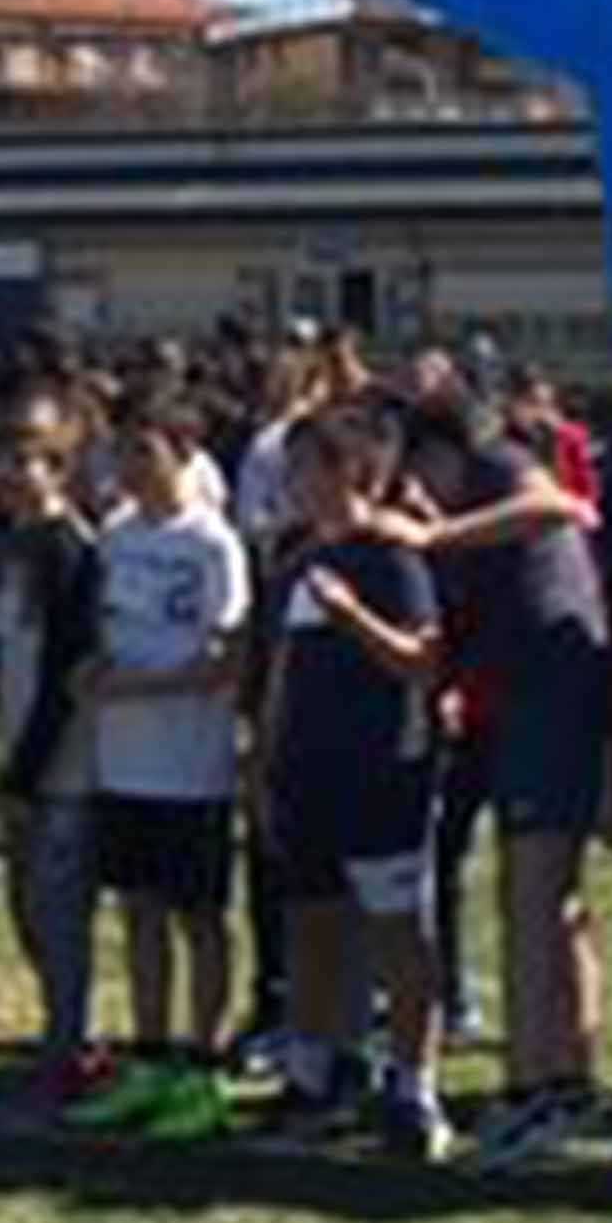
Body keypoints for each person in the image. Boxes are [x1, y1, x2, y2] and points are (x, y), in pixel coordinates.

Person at [404, 371, 612, 1171]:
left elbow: (560, 507)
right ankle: (569, 1075)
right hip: (523, 692)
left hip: (555, 690)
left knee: (530, 894)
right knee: (552, 899)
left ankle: (531, 1089)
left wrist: (439, 535)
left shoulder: (495, 466)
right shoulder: (466, 510)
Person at [256, 407, 451, 1158]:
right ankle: (313, 1073)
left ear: (352, 472)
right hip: (305, 774)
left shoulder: (390, 559)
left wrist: (354, 615)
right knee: (311, 924)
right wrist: (263, 764)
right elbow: (278, 675)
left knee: (399, 931)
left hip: (382, 773)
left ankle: (414, 1087)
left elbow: (422, 661)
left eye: (308, 467)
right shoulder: (294, 563)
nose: (296, 484)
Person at [69, 395, 249, 1138]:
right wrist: (92, 675)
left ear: (183, 454)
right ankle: (147, 1059)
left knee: (199, 917)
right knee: (138, 912)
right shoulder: (114, 539)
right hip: (123, 763)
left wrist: (142, 687)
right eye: (124, 453)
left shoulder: (212, 544)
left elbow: (227, 657)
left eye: (146, 452)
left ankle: (203, 1066)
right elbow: (97, 632)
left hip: (192, 763)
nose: (132, 467)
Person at [0, 408, 108, 1111]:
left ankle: (69, 1050)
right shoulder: (10, 550)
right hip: (16, 752)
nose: (9, 478)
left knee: (58, 914)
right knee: (26, 910)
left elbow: (67, 670)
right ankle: (65, 1038)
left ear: (56, 471)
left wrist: (28, 768)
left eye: (24, 464)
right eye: (2, 464)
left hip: (62, 764)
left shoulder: (71, 551)